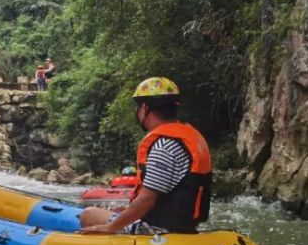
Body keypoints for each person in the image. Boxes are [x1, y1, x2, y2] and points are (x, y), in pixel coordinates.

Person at [80, 77, 212, 235]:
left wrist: (111, 227)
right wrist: (129, 210)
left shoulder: (164, 146)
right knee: (115, 213)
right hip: (184, 226)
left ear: (144, 108)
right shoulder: (187, 138)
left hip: (158, 231)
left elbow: (147, 199)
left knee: (89, 214)